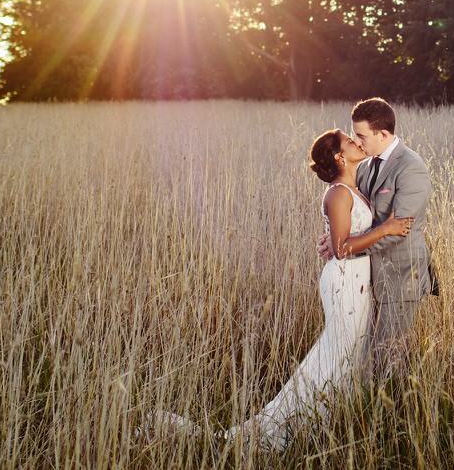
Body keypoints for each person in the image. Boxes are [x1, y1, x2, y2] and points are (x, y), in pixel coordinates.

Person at [145, 129, 412, 450]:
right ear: (340, 157)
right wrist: (385, 229)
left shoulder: (353, 187)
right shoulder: (338, 193)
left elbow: (343, 237)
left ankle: (323, 421)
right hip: (343, 280)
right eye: (349, 141)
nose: (357, 142)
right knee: (338, 353)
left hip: (357, 278)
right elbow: (341, 248)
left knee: (348, 353)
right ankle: (289, 426)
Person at [318, 97, 438, 381]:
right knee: (372, 355)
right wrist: (337, 239)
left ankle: (396, 414)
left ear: (382, 134)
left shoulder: (411, 168)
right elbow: (363, 216)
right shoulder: (368, 164)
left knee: (388, 356)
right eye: (354, 136)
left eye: (361, 136)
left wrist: (344, 249)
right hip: (369, 279)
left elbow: (400, 229)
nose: (358, 143)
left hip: (401, 276)